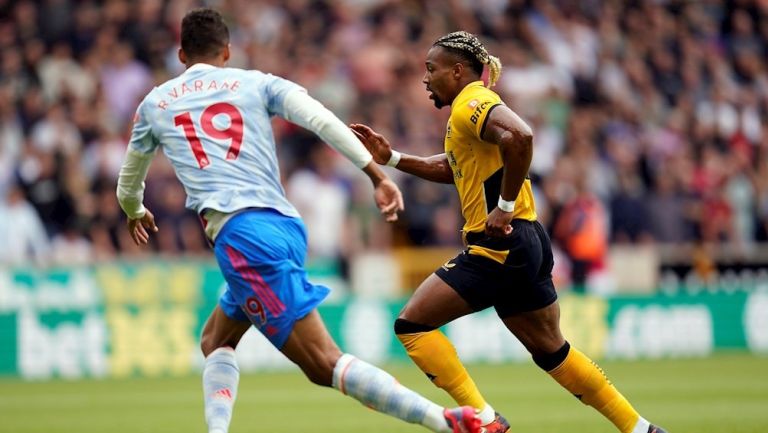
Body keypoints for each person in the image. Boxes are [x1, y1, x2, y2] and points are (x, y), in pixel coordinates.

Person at [115, 9, 482, 433]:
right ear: (228, 51)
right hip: (284, 227)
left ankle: (446, 422)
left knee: (322, 364)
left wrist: (134, 211)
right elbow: (320, 118)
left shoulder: (156, 103)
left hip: (242, 238)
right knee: (215, 340)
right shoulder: (256, 82)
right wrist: (375, 174)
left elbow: (128, 184)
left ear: (180, 54)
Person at [350, 31, 669, 433]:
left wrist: (502, 208)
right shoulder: (463, 115)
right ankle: (640, 428)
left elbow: (520, 136)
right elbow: (454, 168)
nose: (425, 80)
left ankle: (484, 421)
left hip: (499, 244)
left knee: (412, 325)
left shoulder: (473, 102)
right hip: (528, 240)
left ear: (458, 70)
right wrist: (393, 158)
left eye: (431, 70)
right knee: (553, 352)